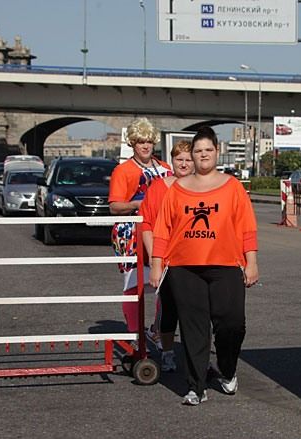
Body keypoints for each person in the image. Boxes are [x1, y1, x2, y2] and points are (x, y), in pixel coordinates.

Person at [150, 126, 259, 405]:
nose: (203, 155)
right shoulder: (177, 190)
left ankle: (227, 369)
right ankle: (196, 386)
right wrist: (157, 264)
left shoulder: (233, 187)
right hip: (184, 267)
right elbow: (162, 229)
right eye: (198, 151)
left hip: (226, 265)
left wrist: (252, 261)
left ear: (217, 152)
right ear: (193, 155)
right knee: (193, 328)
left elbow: (246, 226)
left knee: (232, 323)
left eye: (208, 149)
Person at [109, 117, 172, 337]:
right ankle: (135, 333)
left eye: (149, 141)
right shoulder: (123, 170)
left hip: (162, 230)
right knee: (133, 284)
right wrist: (138, 205)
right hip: (132, 233)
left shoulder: (165, 168)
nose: (145, 146)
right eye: (140, 142)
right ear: (132, 143)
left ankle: (160, 329)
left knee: (165, 283)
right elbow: (114, 206)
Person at [140, 140, 194, 372]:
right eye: (179, 159)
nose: (184, 164)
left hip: (195, 257)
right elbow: (146, 224)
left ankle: (197, 358)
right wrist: (156, 259)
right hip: (168, 258)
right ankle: (168, 352)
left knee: (197, 312)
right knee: (169, 308)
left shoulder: (202, 188)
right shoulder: (158, 188)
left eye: (188, 159)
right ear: (172, 161)